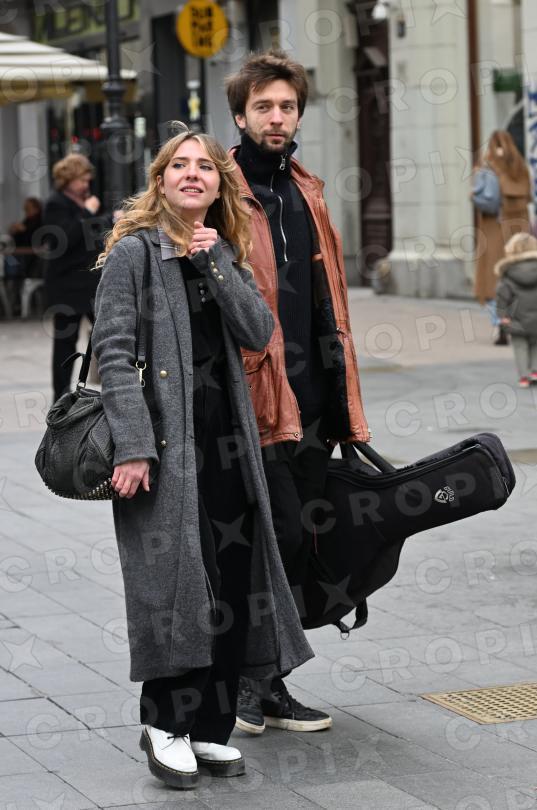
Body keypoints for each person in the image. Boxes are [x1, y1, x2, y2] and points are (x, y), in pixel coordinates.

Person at [91, 129, 313, 790]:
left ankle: (210, 726)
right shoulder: (134, 253)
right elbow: (112, 353)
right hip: (166, 452)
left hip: (229, 448)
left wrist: (215, 261)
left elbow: (259, 331)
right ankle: (164, 723)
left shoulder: (222, 252)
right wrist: (133, 446)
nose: (193, 174)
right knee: (178, 586)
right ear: (160, 181)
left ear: (219, 184)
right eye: (179, 165)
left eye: (205, 167)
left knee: (234, 581)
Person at [225, 50, 370, 735]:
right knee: (270, 535)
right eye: (263, 107)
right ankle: (247, 681)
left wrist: (342, 394)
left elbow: (326, 294)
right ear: (240, 116)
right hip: (251, 401)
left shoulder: (306, 190)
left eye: (286, 107)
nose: (276, 118)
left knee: (299, 539)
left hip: (313, 396)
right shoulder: (219, 189)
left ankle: (268, 682)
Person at [42, 153, 105, 401]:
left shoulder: (83, 201)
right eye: (82, 179)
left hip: (88, 283)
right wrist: (88, 213)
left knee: (106, 332)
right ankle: (60, 396)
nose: (86, 184)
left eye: (88, 179)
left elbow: (92, 233)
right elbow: (63, 238)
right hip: (67, 286)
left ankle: (114, 384)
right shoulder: (56, 203)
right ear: (68, 179)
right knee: (65, 342)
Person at [473, 130, 532, 345]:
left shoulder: (489, 166)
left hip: (494, 228)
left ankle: (500, 325)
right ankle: (521, 324)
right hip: (518, 230)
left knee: (492, 278)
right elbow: (529, 196)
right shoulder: (521, 168)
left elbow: (482, 198)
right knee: (520, 275)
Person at [495, 232, 537, 388]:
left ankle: (524, 377)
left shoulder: (508, 272)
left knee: (520, 346)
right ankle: (535, 371)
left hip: (517, 319)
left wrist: (502, 315)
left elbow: (502, 296)